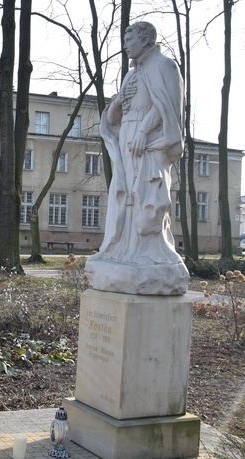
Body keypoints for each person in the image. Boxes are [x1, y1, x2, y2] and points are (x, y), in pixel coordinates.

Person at [86, 21, 187, 295]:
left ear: (144, 39)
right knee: (125, 194)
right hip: (127, 138)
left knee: (146, 196)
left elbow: (167, 107)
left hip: (149, 141)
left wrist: (143, 131)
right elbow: (113, 118)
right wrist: (118, 102)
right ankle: (121, 250)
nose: (125, 45)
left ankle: (149, 254)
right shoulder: (131, 75)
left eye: (129, 39)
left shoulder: (163, 66)